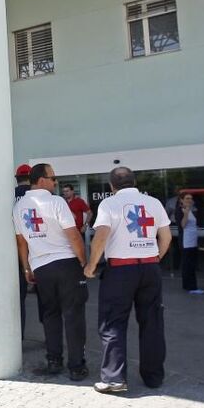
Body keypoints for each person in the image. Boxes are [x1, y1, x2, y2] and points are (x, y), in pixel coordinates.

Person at [84, 166, 172, 394]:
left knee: (113, 322)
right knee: (152, 322)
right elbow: (166, 236)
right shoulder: (153, 203)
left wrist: (91, 266)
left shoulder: (109, 204)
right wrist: (155, 258)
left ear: (111, 186)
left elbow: (101, 237)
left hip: (120, 270)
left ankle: (114, 379)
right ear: (135, 182)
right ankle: (154, 377)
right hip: (150, 268)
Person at [14, 164, 89, 381]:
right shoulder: (57, 202)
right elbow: (73, 235)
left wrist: (26, 267)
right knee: (73, 316)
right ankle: (76, 366)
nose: (55, 182)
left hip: (41, 268)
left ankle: (54, 360)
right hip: (66, 264)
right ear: (41, 180)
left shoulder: (19, 207)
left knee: (50, 315)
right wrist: (83, 262)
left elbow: (21, 242)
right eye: (53, 178)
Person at [15, 163, 33, 337]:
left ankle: (18, 335)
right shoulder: (38, 195)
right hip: (38, 250)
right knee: (47, 299)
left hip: (15, 252)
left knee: (18, 298)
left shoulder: (9, 195)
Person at [174, 192, 204, 294]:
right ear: (181, 200)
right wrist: (186, 214)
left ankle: (189, 285)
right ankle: (191, 287)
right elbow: (182, 225)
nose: (189, 200)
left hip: (192, 241)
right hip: (186, 241)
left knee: (191, 264)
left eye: (191, 198)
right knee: (188, 264)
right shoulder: (180, 211)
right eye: (187, 198)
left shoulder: (190, 210)